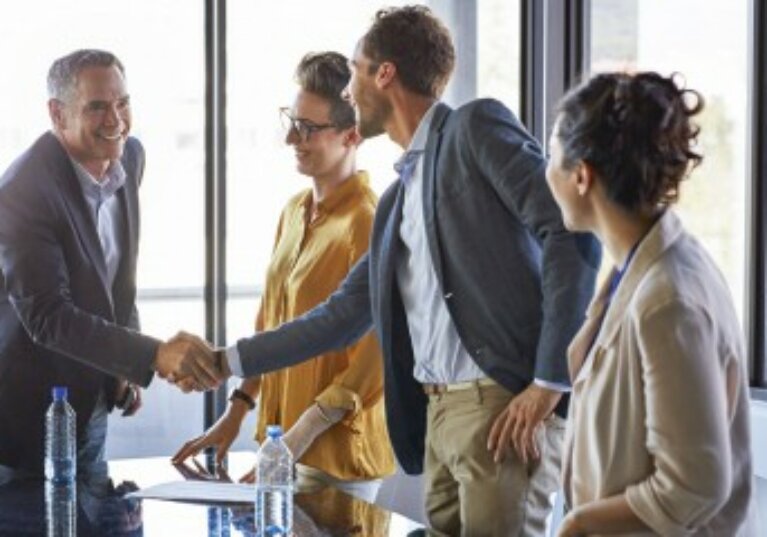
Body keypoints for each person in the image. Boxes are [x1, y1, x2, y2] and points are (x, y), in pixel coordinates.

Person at [180, 6, 599, 535]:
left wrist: (548, 381)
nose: (349, 89)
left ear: (385, 73)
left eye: (356, 68)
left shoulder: (474, 127)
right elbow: (339, 318)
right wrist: (226, 360)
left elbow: (570, 228)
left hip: (499, 405)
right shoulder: (398, 199)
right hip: (438, 416)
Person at [172, 52, 394, 502]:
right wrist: (236, 411)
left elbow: (375, 359)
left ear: (352, 135)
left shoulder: (368, 222)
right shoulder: (293, 212)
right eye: (292, 121)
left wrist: (300, 436)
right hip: (279, 449)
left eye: (308, 128)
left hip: (333, 459)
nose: (293, 137)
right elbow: (270, 326)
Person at [546, 72, 755, 536]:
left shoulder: (668, 298)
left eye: (551, 157)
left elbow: (694, 484)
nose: (546, 173)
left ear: (582, 175)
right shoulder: (636, 270)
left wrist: (580, 523)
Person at [0, 49, 220, 479]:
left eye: (123, 103)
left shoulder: (129, 157)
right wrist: (151, 353)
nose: (115, 120)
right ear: (57, 114)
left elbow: (118, 277)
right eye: (97, 106)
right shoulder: (22, 190)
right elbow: (47, 316)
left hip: (91, 401)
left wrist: (126, 362)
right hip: (23, 414)